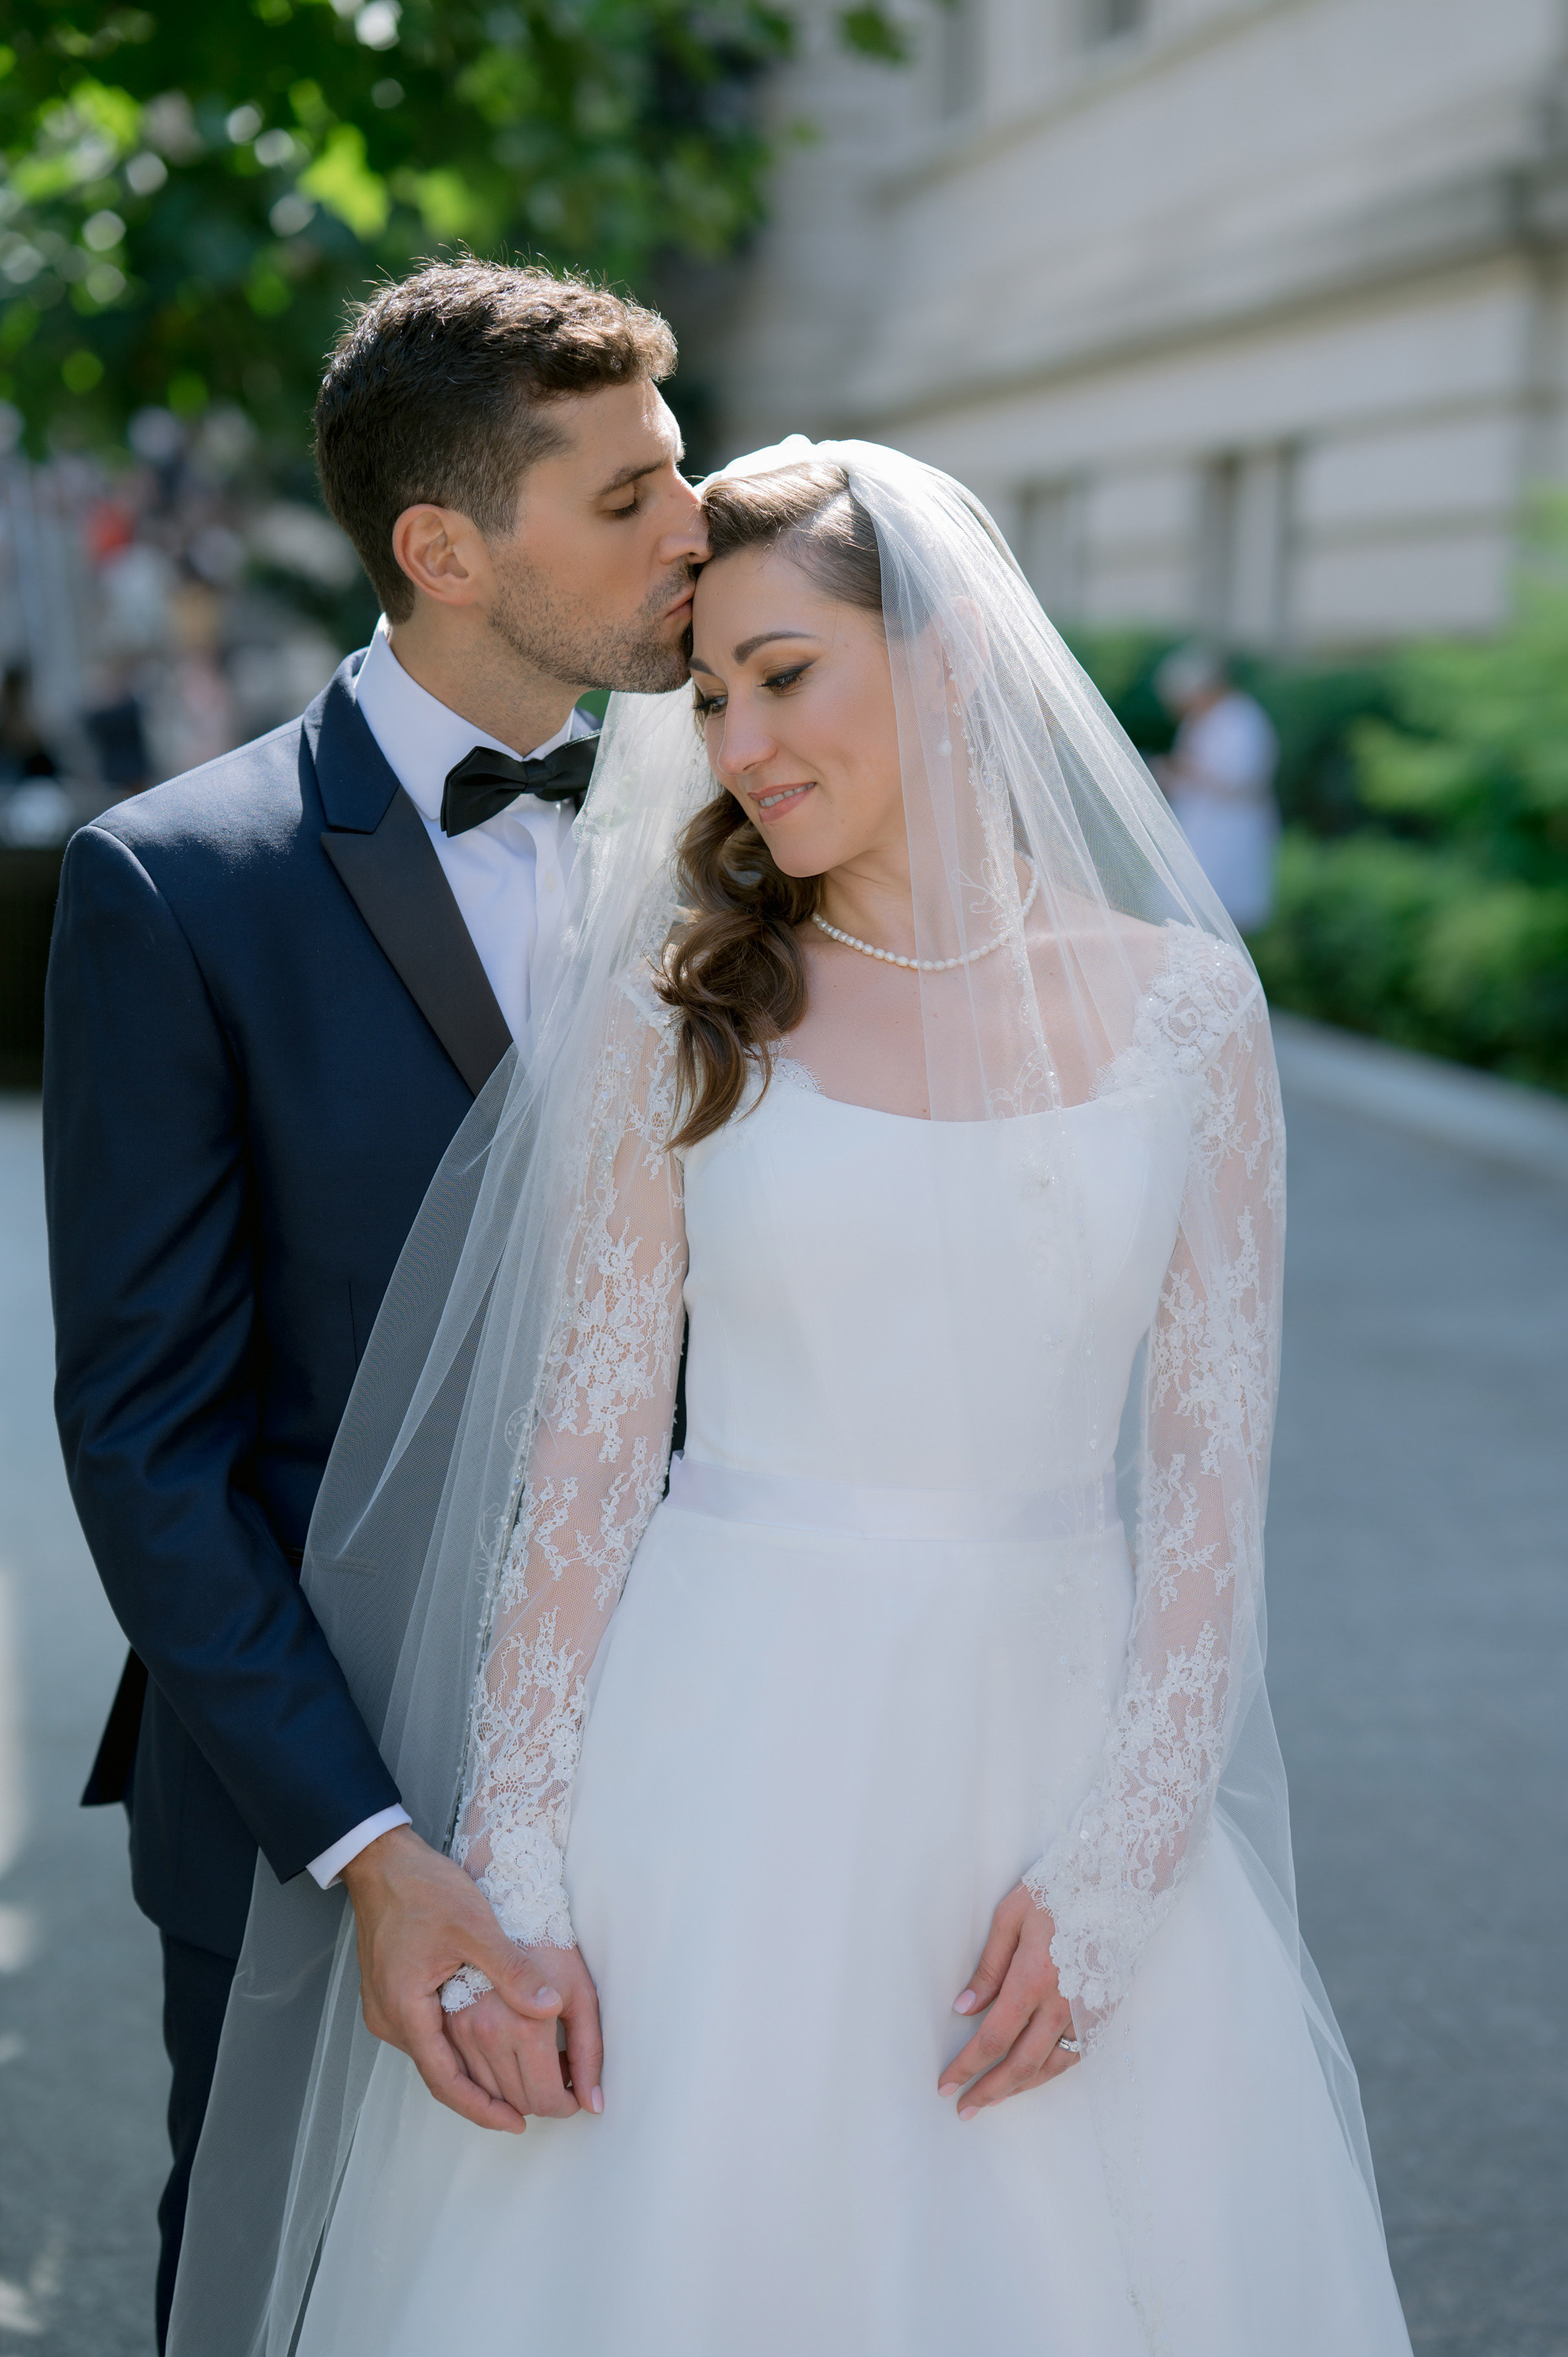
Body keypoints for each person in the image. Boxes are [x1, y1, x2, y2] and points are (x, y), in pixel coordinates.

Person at [170, 441, 1414, 2354]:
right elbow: (579, 1483)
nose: (740, 738)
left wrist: (1118, 1865)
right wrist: (520, 1872)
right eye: (714, 691)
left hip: (1056, 1757)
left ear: (950, 664)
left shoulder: (1186, 1009)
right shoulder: (681, 1007)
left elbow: (1207, 1487)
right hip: (717, 1761)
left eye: (785, 673)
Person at [42, 258, 707, 2351]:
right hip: (312, 1780)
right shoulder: (178, 883)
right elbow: (145, 1430)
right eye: (623, 499)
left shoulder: (738, 848)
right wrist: (365, 1839)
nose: (691, 528)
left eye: (676, 475)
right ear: (444, 546)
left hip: (703, 1733)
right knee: (284, 2283)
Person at [1154, 642, 1280, 931]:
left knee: (1224, 909)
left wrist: (1185, 770)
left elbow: (1238, 780)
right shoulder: (1198, 722)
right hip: (1199, 823)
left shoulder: (1242, 719)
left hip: (1230, 826)